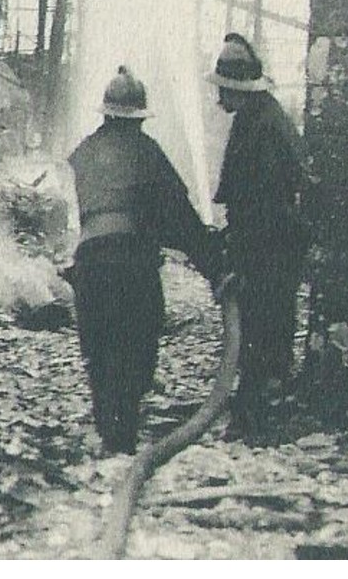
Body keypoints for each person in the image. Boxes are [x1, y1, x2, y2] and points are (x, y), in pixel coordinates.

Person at [66, 66, 214, 454]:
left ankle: (109, 434)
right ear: (138, 118)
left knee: (99, 351)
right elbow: (180, 219)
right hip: (132, 265)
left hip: (90, 263)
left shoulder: (84, 152)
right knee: (136, 348)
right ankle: (124, 440)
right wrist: (216, 269)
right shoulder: (146, 152)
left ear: (107, 113)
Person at [206, 33, 308, 438]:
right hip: (270, 244)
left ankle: (256, 419)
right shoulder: (259, 117)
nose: (219, 100)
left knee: (262, 330)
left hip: (270, 248)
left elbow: (262, 204)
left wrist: (241, 258)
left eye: (224, 91)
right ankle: (257, 413)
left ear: (238, 89)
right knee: (266, 328)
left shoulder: (262, 126)